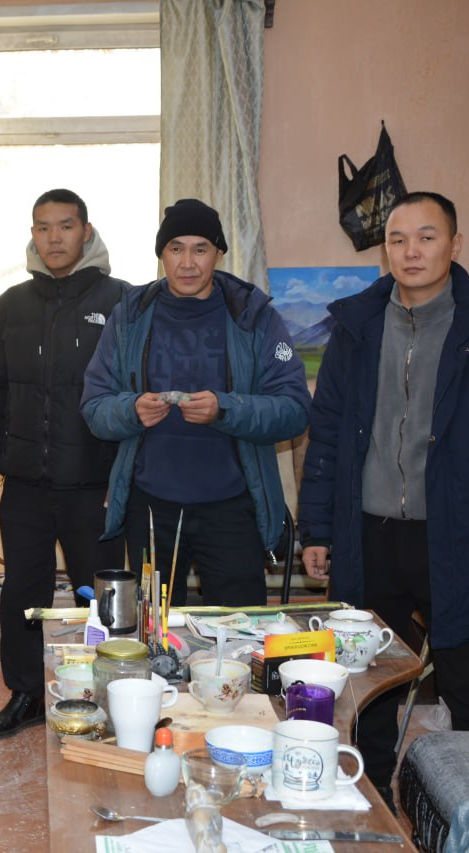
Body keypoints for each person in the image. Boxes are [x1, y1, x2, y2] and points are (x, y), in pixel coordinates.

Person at [297, 191, 469, 804]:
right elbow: (327, 435)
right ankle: (369, 803)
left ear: (455, 245)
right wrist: (317, 529)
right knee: (367, 686)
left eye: (427, 237)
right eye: (398, 239)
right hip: (369, 536)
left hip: (462, 538)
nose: (411, 251)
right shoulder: (356, 326)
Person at [82, 198, 309, 607]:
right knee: (154, 630)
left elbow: (294, 409)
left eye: (200, 249)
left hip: (233, 506)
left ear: (219, 253)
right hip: (150, 507)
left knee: (239, 630)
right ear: (162, 254)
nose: (187, 263)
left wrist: (225, 410)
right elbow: (95, 405)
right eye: (176, 248)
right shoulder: (130, 316)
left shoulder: (253, 315)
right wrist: (132, 410)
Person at [0, 189, 129, 739]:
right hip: (26, 487)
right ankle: (26, 697)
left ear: (87, 231)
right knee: (22, 596)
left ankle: (115, 696)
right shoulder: (9, 306)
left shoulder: (122, 301)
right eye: (43, 227)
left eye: (65, 226)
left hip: (94, 486)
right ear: (32, 235)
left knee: (104, 600)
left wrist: (122, 477)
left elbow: (133, 398)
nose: (54, 237)